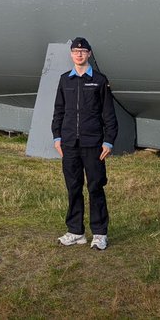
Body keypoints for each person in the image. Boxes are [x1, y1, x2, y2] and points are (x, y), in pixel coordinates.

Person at [52, 36, 118, 250]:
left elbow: (108, 113)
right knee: (73, 187)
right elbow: (59, 111)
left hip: (93, 144)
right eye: (75, 51)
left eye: (83, 51)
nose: (79, 54)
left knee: (95, 187)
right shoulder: (65, 80)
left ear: (89, 53)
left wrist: (108, 140)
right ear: (71, 54)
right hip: (69, 143)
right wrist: (57, 137)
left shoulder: (99, 80)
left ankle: (99, 233)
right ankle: (75, 231)